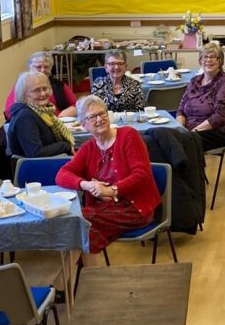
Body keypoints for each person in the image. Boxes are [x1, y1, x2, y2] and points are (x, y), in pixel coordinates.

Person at [55, 96, 160, 266]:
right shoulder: (88, 148)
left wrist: (112, 190)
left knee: (76, 221)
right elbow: (61, 175)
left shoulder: (128, 135)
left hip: (135, 208)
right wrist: (88, 185)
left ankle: (70, 280)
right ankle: (84, 277)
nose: (99, 119)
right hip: (102, 210)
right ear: (83, 125)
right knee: (83, 231)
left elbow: (142, 174)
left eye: (102, 113)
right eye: (92, 117)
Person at [176, 42, 225, 151]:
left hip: (217, 131)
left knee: (178, 144)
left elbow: (220, 116)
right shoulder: (194, 81)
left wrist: (192, 132)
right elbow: (181, 109)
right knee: (158, 135)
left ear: (220, 61)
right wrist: (180, 129)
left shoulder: (224, 82)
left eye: (213, 57)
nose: (208, 60)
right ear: (200, 60)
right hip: (189, 132)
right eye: (205, 57)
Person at [7, 71, 75, 158]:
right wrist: (65, 146)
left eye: (45, 88)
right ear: (24, 95)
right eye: (36, 90)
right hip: (36, 165)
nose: (43, 94)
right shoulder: (25, 116)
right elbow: (35, 153)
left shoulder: (44, 111)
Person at [3, 51, 77, 121]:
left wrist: (64, 114)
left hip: (59, 122)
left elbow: (77, 105)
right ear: (30, 68)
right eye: (38, 67)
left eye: (46, 67)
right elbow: (9, 111)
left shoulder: (59, 86)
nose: (42, 70)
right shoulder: (23, 85)